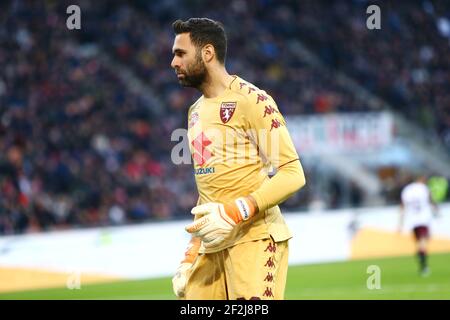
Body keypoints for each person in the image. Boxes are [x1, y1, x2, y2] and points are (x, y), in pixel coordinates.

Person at [170, 18, 306, 300]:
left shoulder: (253, 100)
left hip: (254, 240)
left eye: (180, 53)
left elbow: (292, 172)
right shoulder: (195, 112)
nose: (173, 62)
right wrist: (190, 254)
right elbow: (207, 191)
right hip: (211, 248)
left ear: (207, 53)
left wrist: (235, 212)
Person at [398, 175, 439, 277]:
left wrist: (400, 223)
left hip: (413, 220)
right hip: (424, 219)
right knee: (423, 242)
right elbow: (430, 199)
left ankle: (421, 256)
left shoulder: (406, 190)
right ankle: (423, 265)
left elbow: (402, 206)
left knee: (420, 242)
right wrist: (436, 208)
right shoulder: (423, 188)